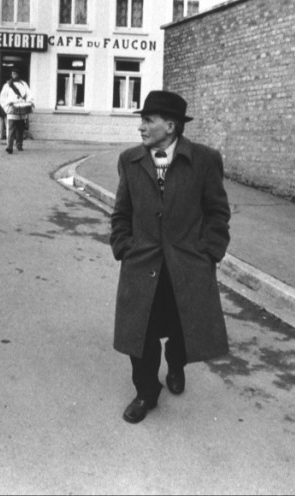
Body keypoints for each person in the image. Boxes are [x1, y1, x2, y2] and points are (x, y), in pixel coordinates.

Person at [109, 90, 231, 424]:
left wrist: (209, 253)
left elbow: (217, 213)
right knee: (142, 332)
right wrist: (123, 246)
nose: (142, 127)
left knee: (181, 326)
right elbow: (121, 213)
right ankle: (146, 392)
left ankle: (176, 366)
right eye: (142, 120)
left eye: (149, 120)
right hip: (142, 263)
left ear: (171, 126)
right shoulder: (130, 160)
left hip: (186, 265)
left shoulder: (205, 160)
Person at [0, 68, 32, 154]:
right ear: (11, 75)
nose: (14, 75)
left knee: (20, 130)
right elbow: (2, 98)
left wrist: (28, 102)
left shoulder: (24, 84)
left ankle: (19, 145)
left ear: (18, 74)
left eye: (16, 73)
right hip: (12, 110)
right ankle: (9, 147)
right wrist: (8, 107)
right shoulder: (7, 85)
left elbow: (29, 95)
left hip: (22, 110)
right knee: (11, 129)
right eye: (13, 73)